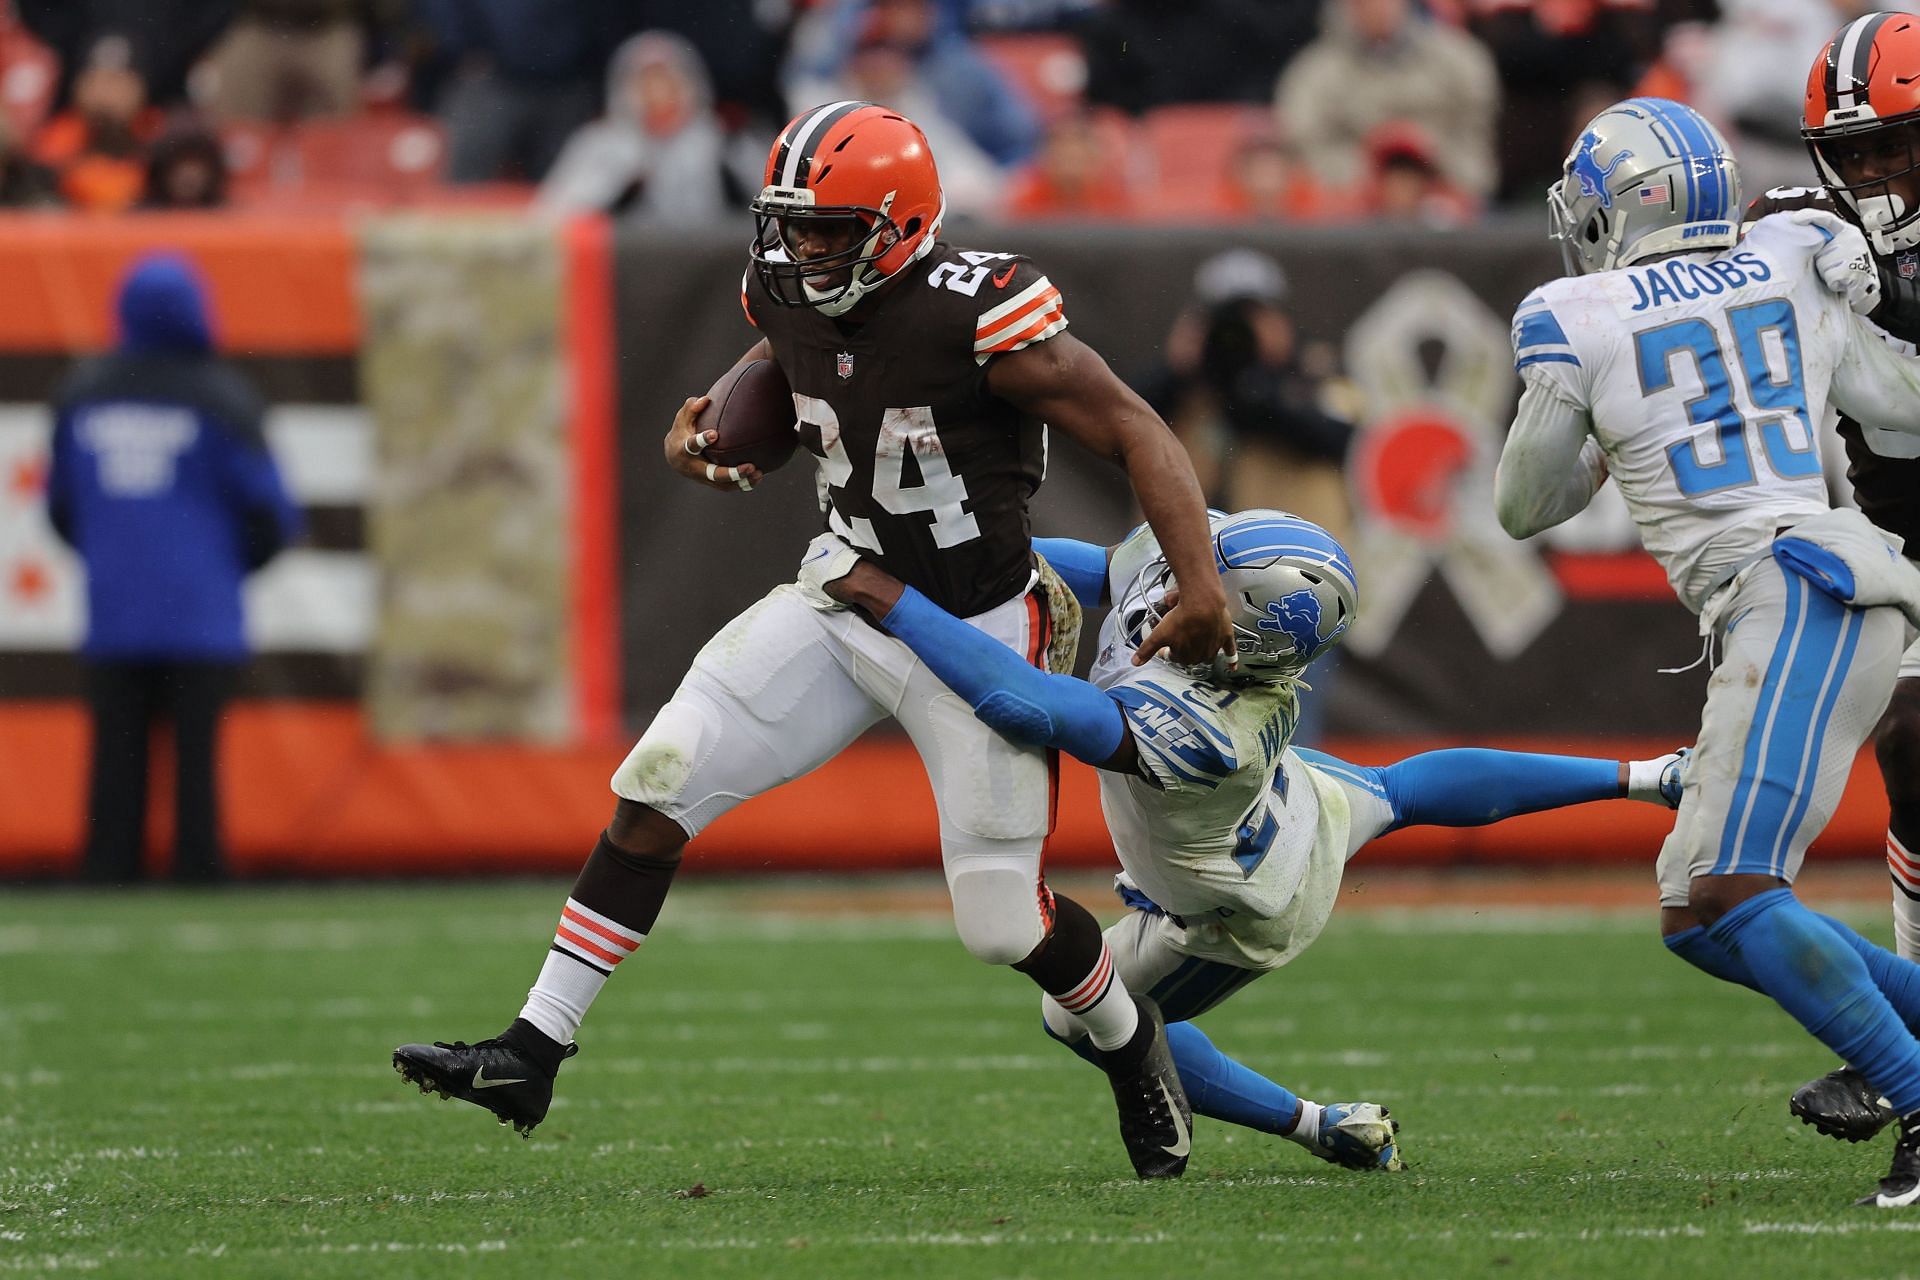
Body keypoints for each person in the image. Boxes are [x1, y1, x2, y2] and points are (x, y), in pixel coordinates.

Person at [393, 101, 1236, 1181]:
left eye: (832, 229)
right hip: (842, 593)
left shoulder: (979, 313)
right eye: (793, 226)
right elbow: (804, 374)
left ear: (899, 224)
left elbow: (1136, 428)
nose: (804, 248)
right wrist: (709, 433)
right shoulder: (787, 293)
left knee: (999, 921)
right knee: (659, 779)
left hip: (974, 626)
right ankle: (532, 1046)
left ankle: (1131, 1045)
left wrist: (1201, 581)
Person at [802, 509, 1690, 1173]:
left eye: (1210, 584)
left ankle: (1317, 1123)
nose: (1181, 577)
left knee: (1085, 1015)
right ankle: (1650, 776)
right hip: (1294, 796)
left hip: (1240, 900)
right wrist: (977, 561)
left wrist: (892, 597)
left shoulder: (1198, 724)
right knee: (1399, 789)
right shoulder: (1226, 607)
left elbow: (1022, 702)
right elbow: (1093, 569)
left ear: (1237, 634)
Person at [1498, 95, 1920, 1209]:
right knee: (1697, 915)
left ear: (1615, 207)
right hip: (1828, 584)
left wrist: (1605, 435)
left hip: (1796, 589)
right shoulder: (1790, 254)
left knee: (1735, 888)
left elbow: (1521, 503)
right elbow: (1901, 408)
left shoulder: (1571, 311)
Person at [1757, 10, 1920, 1150]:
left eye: (1894, 148)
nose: (1868, 174)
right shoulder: (1818, 233)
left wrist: (1879, 289)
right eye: (1851, 154)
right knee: (1911, 744)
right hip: (1905, 542)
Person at [45, 254, 302, 884]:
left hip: (115, 613)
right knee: (196, 761)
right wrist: (229, 565)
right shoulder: (222, 396)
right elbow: (271, 508)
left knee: (116, 757)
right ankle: (199, 867)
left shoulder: (81, 393)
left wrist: (114, 559)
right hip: (202, 615)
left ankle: (109, 868)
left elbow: (60, 505)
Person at [536, 32, 741, 224]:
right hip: (623, 256)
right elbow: (552, 214)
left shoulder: (725, 140)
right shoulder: (599, 142)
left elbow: (763, 212)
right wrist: (623, 188)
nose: (658, 97)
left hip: (712, 258)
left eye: (669, 84)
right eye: (646, 86)